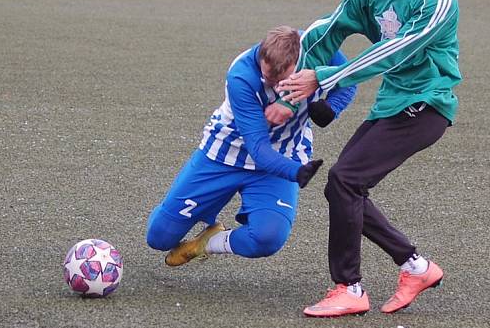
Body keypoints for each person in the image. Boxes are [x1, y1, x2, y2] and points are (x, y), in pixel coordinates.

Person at [275, 0, 461, 317]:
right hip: (393, 102)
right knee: (343, 186)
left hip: (428, 104)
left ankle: (349, 288)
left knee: (344, 181)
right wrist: (291, 78)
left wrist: (324, 78)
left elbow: (391, 53)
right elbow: (331, 27)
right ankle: (415, 267)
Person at [146, 25, 356, 267]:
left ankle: (209, 242)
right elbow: (258, 149)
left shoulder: (320, 48)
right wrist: (295, 172)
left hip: (283, 154)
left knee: (268, 238)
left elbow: (348, 80)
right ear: (262, 54)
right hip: (226, 155)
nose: (275, 85)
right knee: (159, 237)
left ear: (297, 61)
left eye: (281, 79)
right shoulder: (241, 76)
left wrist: (331, 108)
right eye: (268, 77)